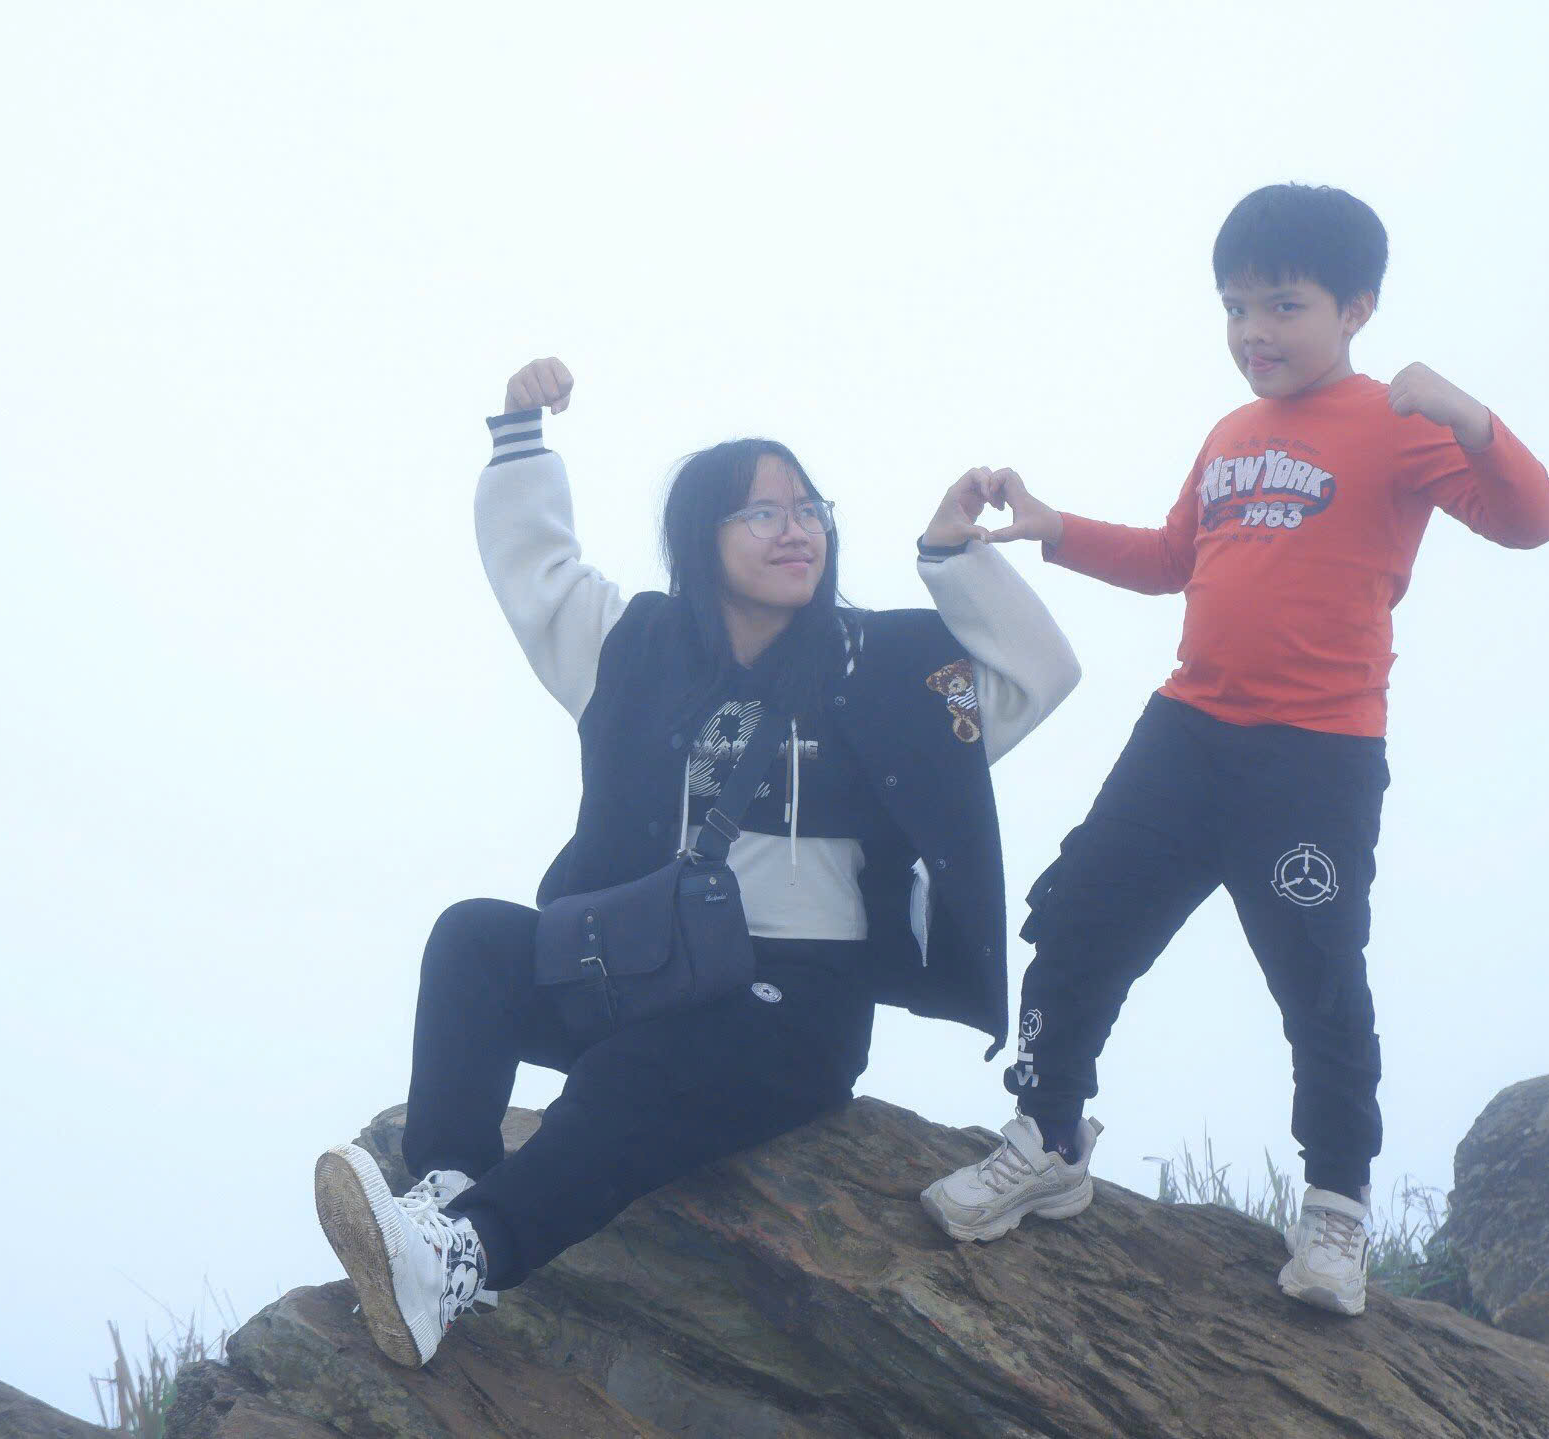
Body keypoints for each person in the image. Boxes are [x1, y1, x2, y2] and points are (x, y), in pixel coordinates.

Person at [314, 357, 1080, 1367]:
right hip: (646, 962)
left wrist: (950, 554)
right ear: (699, 539)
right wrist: (519, 435)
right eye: (759, 513)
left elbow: (1040, 671)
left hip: (793, 1004)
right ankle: (444, 1193)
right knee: (476, 940)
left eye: (806, 506)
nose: (794, 528)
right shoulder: (635, 648)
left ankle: (460, 1261)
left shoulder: (884, 666)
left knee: (631, 1075)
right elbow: (535, 573)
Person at [921, 183, 1549, 1317]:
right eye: (1233, 307)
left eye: (1283, 304)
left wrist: (1470, 417)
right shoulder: (1230, 434)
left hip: (1314, 754)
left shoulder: (1397, 424)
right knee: (1075, 921)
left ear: (1356, 307)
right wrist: (1050, 526)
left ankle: (1335, 1204)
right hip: (1186, 732)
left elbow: (1529, 520)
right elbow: (1176, 555)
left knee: (1317, 980)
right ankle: (1050, 1131)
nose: (1253, 331)